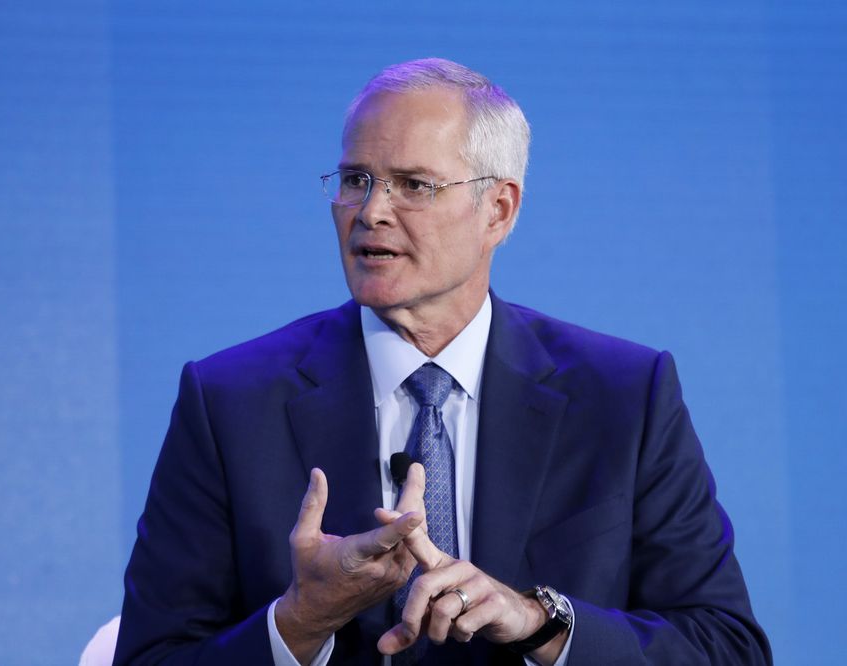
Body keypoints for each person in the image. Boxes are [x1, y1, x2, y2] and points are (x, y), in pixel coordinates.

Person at [112, 58, 771, 665]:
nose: (371, 212)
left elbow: (727, 649)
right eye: (356, 180)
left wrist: (541, 623)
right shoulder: (230, 402)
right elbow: (150, 658)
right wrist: (300, 623)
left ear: (498, 210)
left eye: (413, 185)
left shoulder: (625, 397)